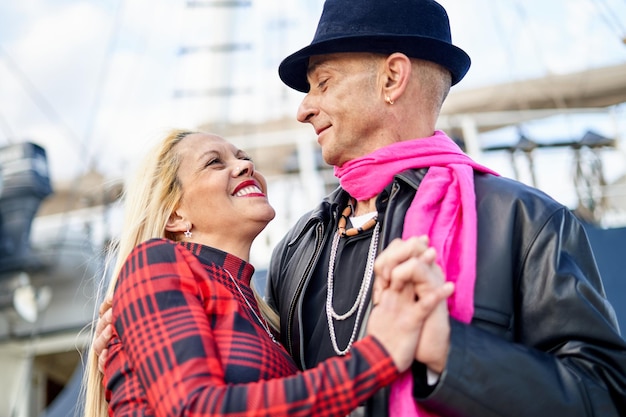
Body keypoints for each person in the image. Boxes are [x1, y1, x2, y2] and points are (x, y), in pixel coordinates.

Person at [93, 0, 626, 415]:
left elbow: (603, 397)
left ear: (392, 78)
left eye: (322, 83)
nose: (304, 109)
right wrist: (130, 363)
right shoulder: (298, 250)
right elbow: (260, 391)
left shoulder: (523, 221)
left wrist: (447, 352)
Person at [82, 128, 455, 417]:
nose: (245, 166)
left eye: (243, 158)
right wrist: (379, 355)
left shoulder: (263, 314)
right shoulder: (156, 263)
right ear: (176, 214)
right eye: (215, 162)